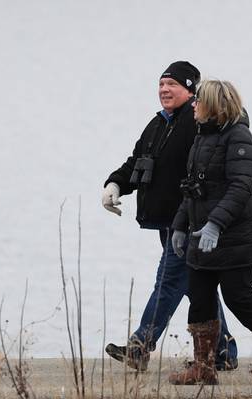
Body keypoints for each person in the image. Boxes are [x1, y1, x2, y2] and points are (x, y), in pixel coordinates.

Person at [168, 79, 252, 385]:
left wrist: (215, 224)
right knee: (200, 298)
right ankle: (203, 368)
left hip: (238, 238)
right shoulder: (202, 138)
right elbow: (192, 190)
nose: (193, 105)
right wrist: (179, 226)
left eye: (198, 101)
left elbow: (241, 187)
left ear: (214, 106)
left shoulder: (239, 138)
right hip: (202, 237)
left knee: (238, 298)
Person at [101, 61, 238, 372]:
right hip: (167, 221)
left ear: (190, 90)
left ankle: (140, 346)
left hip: (191, 220)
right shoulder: (160, 122)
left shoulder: (197, 121)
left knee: (170, 279)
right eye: (161, 84)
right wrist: (116, 184)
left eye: (172, 84)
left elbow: (210, 171)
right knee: (194, 285)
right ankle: (225, 351)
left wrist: (207, 217)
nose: (164, 89)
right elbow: (137, 161)